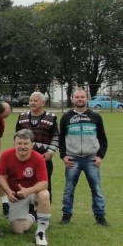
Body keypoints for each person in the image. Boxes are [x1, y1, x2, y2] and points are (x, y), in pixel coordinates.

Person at [59, 88, 109, 226]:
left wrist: (100, 156)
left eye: (82, 97)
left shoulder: (96, 117)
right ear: (72, 99)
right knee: (69, 188)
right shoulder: (66, 117)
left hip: (91, 158)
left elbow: (103, 139)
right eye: (77, 97)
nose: (79, 99)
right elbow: (61, 138)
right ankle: (66, 215)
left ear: (87, 98)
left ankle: (100, 217)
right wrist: (63, 156)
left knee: (96, 188)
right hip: (72, 158)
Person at [0, 129, 51, 246]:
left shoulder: (38, 158)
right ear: (14, 144)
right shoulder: (6, 154)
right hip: (16, 195)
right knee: (17, 230)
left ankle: (40, 233)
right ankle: (33, 215)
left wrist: (29, 191)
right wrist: (8, 192)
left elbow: (44, 183)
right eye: (19, 143)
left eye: (26, 143)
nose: (22, 146)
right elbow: (0, 176)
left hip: (33, 191)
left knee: (44, 195)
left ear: (31, 145)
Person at [16, 92, 59, 206]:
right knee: (25, 184)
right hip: (25, 159)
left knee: (44, 185)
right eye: (30, 100)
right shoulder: (22, 117)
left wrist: (50, 152)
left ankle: (44, 212)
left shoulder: (51, 118)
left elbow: (56, 137)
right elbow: (17, 137)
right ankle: (27, 211)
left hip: (44, 159)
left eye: (35, 101)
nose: (32, 103)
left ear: (43, 103)